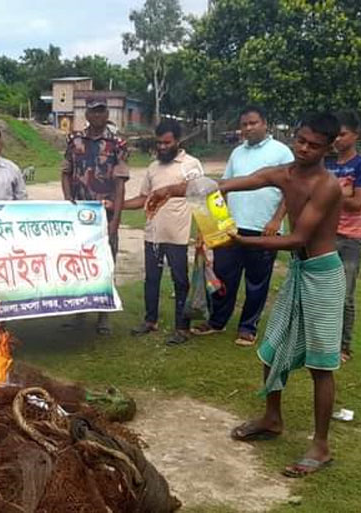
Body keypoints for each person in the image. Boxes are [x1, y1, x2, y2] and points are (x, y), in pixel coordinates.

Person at [148, 112, 345, 479]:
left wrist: (240, 240)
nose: (304, 148)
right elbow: (227, 184)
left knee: (321, 365)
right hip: (301, 272)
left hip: (323, 274)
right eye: (301, 140)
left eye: (313, 145)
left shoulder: (327, 186)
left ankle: (321, 444)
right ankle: (272, 418)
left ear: (328, 148)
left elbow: (298, 239)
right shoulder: (283, 173)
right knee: (270, 349)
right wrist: (168, 191)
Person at [191, 106, 291, 347]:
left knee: (257, 280)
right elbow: (223, 188)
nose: (248, 128)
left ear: (265, 123)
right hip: (231, 228)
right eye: (244, 124)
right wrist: (211, 225)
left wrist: (276, 220)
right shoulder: (237, 153)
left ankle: (248, 327)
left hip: (263, 228)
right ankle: (217, 321)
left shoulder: (282, 152)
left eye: (253, 123)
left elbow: (291, 189)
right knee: (224, 277)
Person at [115, 119, 204, 345]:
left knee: (180, 281)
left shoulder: (191, 164)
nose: (162, 147)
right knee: (151, 279)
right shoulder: (153, 167)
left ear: (177, 141)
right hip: (152, 234)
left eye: (167, 143)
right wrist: (117, 205)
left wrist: (204, 233)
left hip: (177, 236)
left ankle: (182, 328)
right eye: (159, 143)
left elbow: (201, 198)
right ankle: (150, 320)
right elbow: (144, 198)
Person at [60, 98, 128, 335]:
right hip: (79, 216)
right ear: (87, 115)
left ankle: (103, 315)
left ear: (107, 113)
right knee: (78, 263)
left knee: (105, 263)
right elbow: (66, 173)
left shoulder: (117, 143)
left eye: (102, 111)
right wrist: (69, 202)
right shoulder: (74, 140)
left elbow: (120, 186)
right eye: (93, 112)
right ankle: (79, 309)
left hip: (104, 215)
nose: (98, 116)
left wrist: (115, 221)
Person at [326, 111, 361, 362]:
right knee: (322, 292)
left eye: (343, 134)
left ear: (356, 135)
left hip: (351, 238)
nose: (337, 139)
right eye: (335, 134)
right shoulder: (327, 164)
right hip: (325, 234)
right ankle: (322, 340)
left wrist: (333, 191)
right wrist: (341, 190)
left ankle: (343, 346)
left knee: (344, 295)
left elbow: (357, 202)